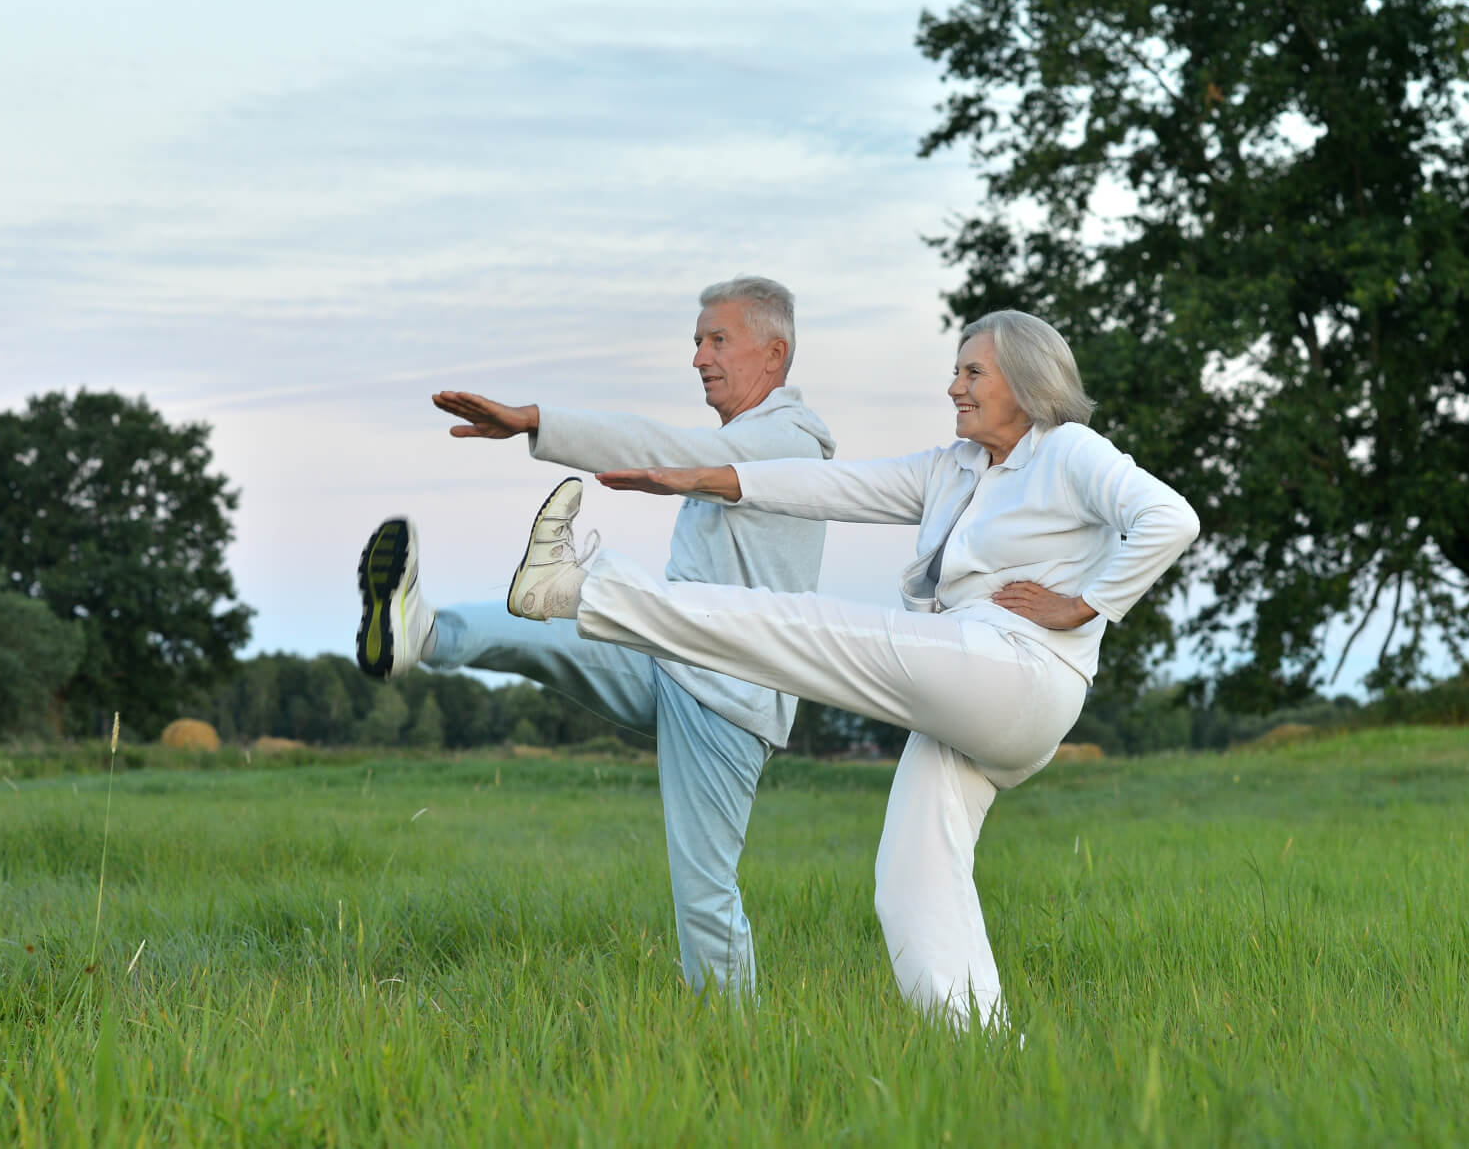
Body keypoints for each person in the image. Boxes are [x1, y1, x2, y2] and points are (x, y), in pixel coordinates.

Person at [500, 309, 1199, 1030]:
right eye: (956, 370)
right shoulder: (952, 469)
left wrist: (1086, 604)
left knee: (801, 627)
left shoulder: (1069, 452)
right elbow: (832, 487)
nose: (953, 386)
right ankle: (983, 1052)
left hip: (1017, 671)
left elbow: (1170, 518)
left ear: (1026, 382)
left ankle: (578, 589)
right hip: (972, 689)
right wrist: (701, 478)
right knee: (911, 882)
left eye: (972, 372)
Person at [356, 275, 835, 996]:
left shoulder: (785, 442)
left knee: (704, 890)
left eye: (717, 340)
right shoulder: (744, 438)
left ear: (774, 353)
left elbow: (664, 445)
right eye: (697, 342)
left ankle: (738, 1042)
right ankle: (420, 631)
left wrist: (537, 423)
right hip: (668, 652)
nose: (700, 357)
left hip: (728, 698)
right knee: (547, 618)